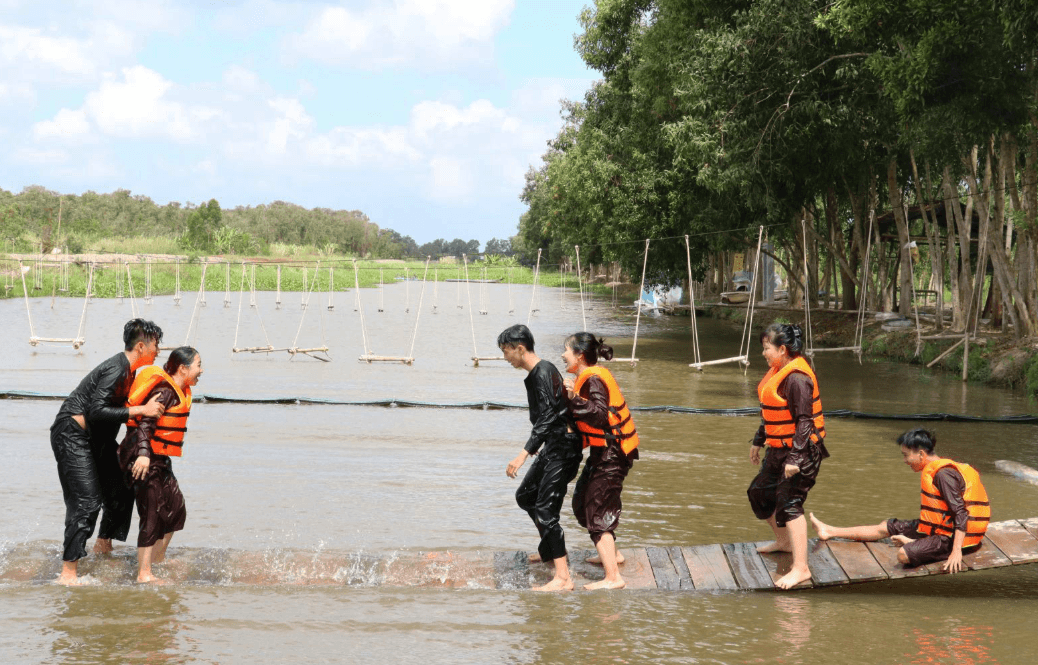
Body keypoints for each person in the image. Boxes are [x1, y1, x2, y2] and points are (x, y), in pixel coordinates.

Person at [50, 318, 165, 585]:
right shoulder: (117, 368)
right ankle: (68, 573)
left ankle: (103, 545)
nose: (158, 351)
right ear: (141, 346)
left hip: (96, 440)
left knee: (121, 486)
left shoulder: (131, 372)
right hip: (72, 435)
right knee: (87, 502)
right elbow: (95, 411)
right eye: (156, 345)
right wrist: (141, 410)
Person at [811, 428, 989, 572]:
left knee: (903, 555)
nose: (904, 460)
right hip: (940, 529)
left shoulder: (943, 475)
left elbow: (961, 513)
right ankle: (829, 531)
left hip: (954, 539)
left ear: (920, 454)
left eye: (906, 455)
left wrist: (956, 552)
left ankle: (914, 543)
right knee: (885, 526)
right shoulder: (937, 469)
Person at [500, 324, 583, 592]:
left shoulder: (543, 372)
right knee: (526, 496)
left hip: (564, 448)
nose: (505, 358)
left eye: (506, 352)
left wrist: (523, 454)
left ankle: (563, 578)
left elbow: (548, 417)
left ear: (520, 348)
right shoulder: (538, 372)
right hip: (554, 446)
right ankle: (550, 551)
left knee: (546, 511)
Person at [747, 323, 829, 589]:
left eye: (766, 348)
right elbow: (772, 412)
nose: (764, 353)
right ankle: (784, 542)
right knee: (759, 492)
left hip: (802, 451)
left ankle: (801, 568)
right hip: (778, 448)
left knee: (790, 503)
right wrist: (759, 441)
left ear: (782, 349)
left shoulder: (797, 378)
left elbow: (804, 421)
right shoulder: (778, 372)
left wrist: (795, 458)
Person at [119, 346, 202, 584]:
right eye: (198, 365)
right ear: (183, 368)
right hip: (142, 457)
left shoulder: (180, 390)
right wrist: (143, 455)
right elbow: (145, 425)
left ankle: (158, 557)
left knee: (176, 508)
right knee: (152, 512)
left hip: (159, 458)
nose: (201, 370)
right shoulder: (165, 391)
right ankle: (143, 574)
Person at [563, 332, 639, 591]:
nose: (563, 355)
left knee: (596, 511)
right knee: (582, 503)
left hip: (613, 453)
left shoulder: (593, 379)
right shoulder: (589, 377)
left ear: (579, 356)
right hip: (602, 452)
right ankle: (613, 555)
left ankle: (613, 577)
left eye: (566, 351)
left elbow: (599, 415)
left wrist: (573, 397)